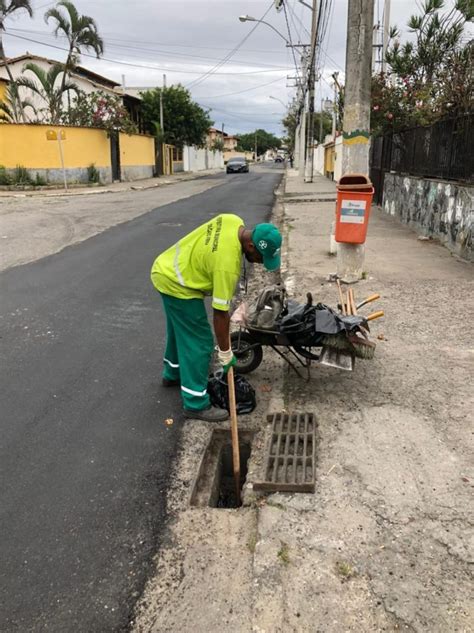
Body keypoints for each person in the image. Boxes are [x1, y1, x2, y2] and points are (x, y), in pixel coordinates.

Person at [151, 213, 282, 422]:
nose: (258, 263)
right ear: (250, 246)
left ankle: (172, 374)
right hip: (177, 283)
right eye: (260, 257)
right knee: (200, 341)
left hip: (166, 268)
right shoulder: (227, 266)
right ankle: (195, 403)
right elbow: (221, 314)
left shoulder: (233, 220)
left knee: (180, 329)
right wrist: (226, 353)